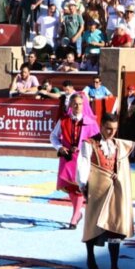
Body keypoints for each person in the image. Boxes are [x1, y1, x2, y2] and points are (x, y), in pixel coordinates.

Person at [77, 112, 134, 269]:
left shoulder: (118, 145)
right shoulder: (89, 144)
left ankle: (114, 266)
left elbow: (122, 166)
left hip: (114, 190)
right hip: (96, 189)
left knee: (114, 226)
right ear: (101, 126)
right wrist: (83, 184)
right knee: (92, 222)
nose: (111, 132)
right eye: (108, 128)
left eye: (114, 129)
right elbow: (84, 164)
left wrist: (119, 175)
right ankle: (90, 256)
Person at [50, 91, 100, 230]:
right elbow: (53, 136)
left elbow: (98, 141)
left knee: (79, 187)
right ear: (70, 105)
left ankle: (74, 218)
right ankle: (77, 213)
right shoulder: (63, 120)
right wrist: (60, 147)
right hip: (67, 158)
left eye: (80, 104)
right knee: (70, 188)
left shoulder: (90, 122)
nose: (78, 107)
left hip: (82, 158)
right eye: (75, 104)